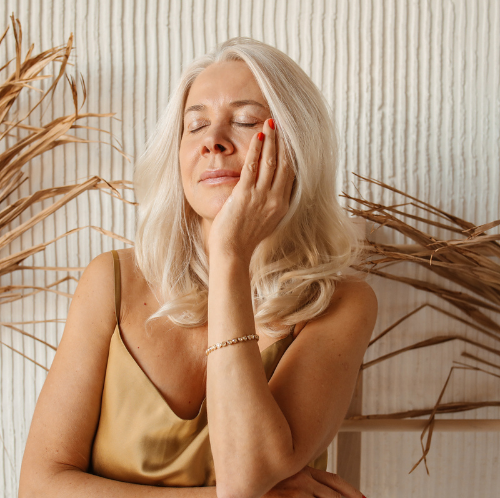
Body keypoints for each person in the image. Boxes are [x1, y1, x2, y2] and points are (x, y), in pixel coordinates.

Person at [19, 37, 377, 498]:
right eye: (196, 125)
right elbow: (38, 486)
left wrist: (230, 255)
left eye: (246, 121)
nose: (213, 141)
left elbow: (246, 473)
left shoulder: (340, 302)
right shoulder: (111, 281)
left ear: (296, 147)